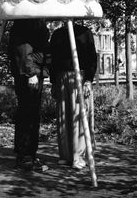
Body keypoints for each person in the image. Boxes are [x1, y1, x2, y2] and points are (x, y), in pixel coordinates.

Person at [50, 21, 97, 170]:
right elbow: (53, 60)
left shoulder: (84, 33)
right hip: (62, 78)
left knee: (79, 114)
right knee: (64, 115)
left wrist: (88, 80)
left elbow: (91, 57)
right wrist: (54, 82)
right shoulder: (57, 34)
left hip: (79, 77)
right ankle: (65, 155)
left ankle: (79, 155)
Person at [8, 18, 50, 172]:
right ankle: (24, 157)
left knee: (33, 114)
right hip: (28, 75)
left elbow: (42, 47)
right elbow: (23, 49)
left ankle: (30, 155)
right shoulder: (26, 20)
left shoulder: (37, 19)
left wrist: (43, 72)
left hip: (35, 73)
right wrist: (30, 73)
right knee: (27, 113)